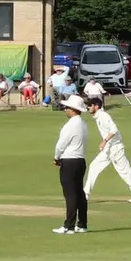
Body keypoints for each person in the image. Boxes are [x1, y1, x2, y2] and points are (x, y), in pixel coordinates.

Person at [83, 96, 131, 204]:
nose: (88, 107)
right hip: (108, 150)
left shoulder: (103, 115)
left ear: (97, 106)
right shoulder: (98, 116)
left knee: (125, 173)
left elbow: (114, 129)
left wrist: (104, 141)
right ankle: (85, 195)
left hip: (116, 149)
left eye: (90, 105)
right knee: (94, 166)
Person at [52, 96, 89, 235]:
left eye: (67, 108)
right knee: (79, 192)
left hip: (70, 160)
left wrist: (56, 157)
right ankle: (82, 223)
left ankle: (69, 225)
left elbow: (61, 144)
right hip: (80, 160)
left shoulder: (71, 125)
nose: (65, 110)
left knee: (71, 194)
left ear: (73, 110)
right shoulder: (83, 124)